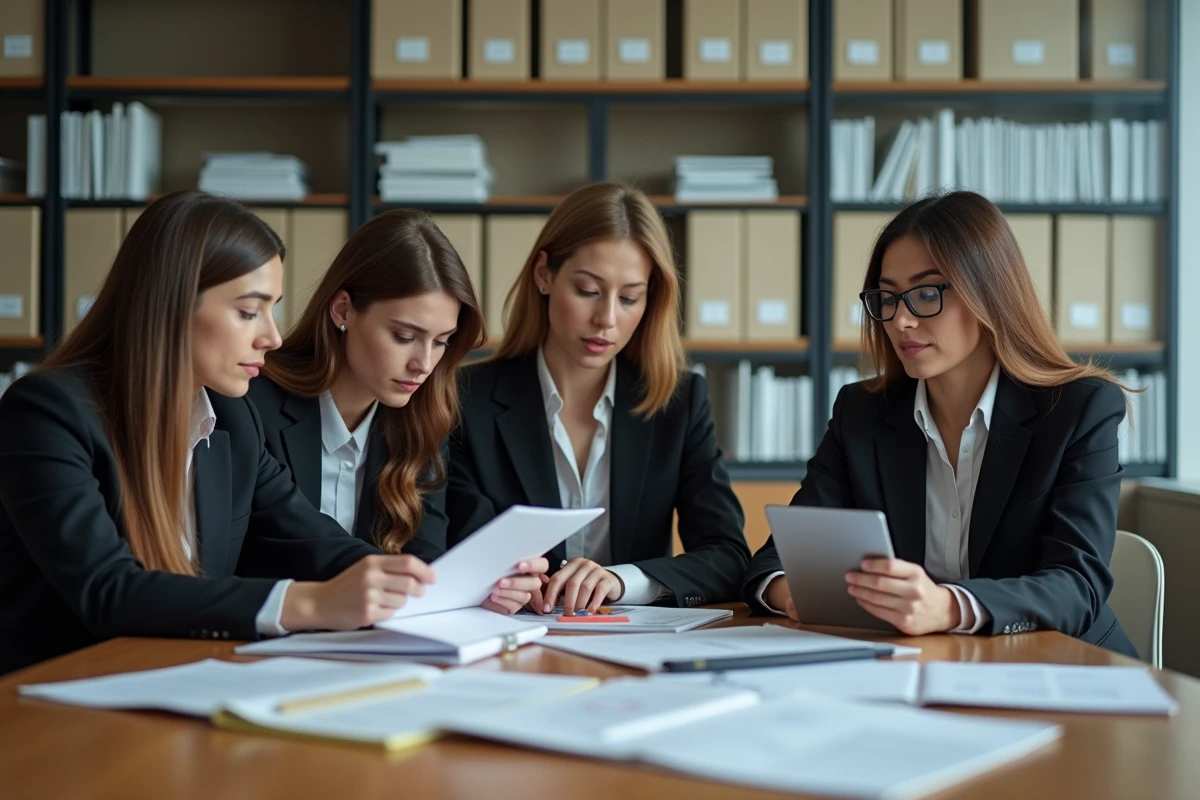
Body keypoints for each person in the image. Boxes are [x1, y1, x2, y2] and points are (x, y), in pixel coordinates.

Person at [0, 192, 516, 674]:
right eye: (249, 311)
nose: (271, 335)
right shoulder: (47, 413)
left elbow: (316, 542)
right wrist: (309, 602)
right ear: (171, 304)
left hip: (173, 686)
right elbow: (109, 591)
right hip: (59, 702)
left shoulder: (230, 419)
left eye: (272, 308)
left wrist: (449, 590)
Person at [744, 191, 1137, 657]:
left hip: (1062, 670)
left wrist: (948, 606)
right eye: (887, 298)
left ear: (988, 292)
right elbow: (773, 563)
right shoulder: (861, 413)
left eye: (927, 294)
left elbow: (1078, 585)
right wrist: (799, 594)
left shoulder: (1078, 409)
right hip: (925, 669)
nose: (902, 321)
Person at [446, 182, 751, 615]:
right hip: (511, 637)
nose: (606, 319)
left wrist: (622, 580)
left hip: (635, 645)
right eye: (588, 290)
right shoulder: (466, 399)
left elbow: (728, 556)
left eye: (629, 298)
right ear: (544, 275)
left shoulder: (679, 403)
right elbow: (452, 546)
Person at [249, 209, 541, 614]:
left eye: (441, 341)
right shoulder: (252, 403)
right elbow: (287, 540)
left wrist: (483, 589)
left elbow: (424, 563)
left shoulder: (422, 422)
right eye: (405, 336)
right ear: (343, 310)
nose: (424, 363)